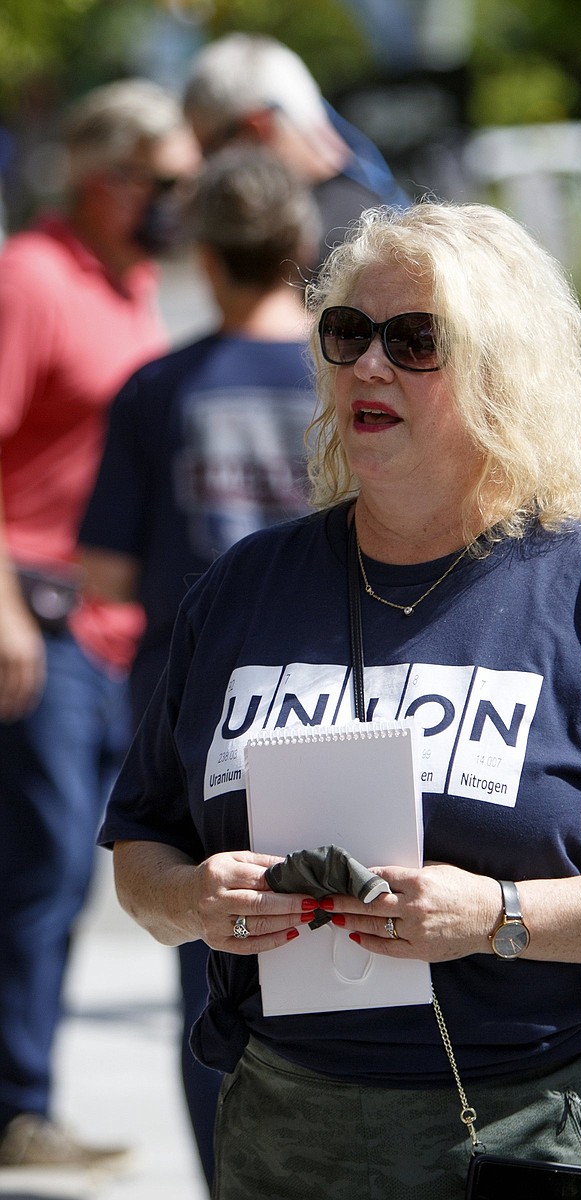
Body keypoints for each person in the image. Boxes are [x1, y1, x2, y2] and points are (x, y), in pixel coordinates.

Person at [98, 201, 581, 1200]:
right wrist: (194, 900)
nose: (369, 365)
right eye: (347, 334)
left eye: (414, 340)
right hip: (283, 1131)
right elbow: (142, 849)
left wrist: (498, 914)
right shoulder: (241, 590)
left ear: (502, 371)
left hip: (529, 1129)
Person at [78, 145, 320, 1189]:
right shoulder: (348, 372)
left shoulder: (157, 388)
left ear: (205, 257)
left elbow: (105, 568)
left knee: (211, 974)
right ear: (303, 248)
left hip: (199, 732)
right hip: (340, 709)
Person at [0, 79, 199, 1168]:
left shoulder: (129, 284)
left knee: (81, 867)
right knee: (43, 869)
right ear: (102, 177)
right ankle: (17, 1107)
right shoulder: (30, 278)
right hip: (38, 616)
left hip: (117, 631)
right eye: (166, 181)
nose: (181, 200)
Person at [182, 31, 408, 271]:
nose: (206, 170)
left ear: (256, 129)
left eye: (210, 152)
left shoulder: (313, 247)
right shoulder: (372, 204)